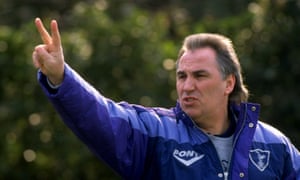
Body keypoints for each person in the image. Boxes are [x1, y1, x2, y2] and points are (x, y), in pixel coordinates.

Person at [32, 17, 300, 180]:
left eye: (200, 76)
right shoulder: (155, 132)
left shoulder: (275, 146)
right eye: (182, 76)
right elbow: (101, 116)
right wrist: (61, 77)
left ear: (228, 83)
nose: (187, 86)